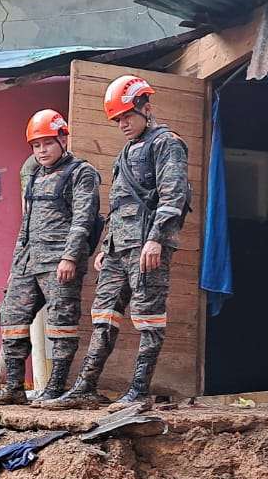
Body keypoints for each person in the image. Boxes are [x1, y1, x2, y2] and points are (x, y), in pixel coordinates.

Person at [45, 74, 189, 410]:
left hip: (146, 245)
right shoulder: (126, 152)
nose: (122, 124)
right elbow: (119, 203)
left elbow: (174, 196)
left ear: (146, 108)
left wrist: (156, 239)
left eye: (127, 116)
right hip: (117, 248)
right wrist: (106, 244)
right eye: (117, 119)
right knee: (103, 315)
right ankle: (84, 388)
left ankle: (138, 390)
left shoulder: (167, 143)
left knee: (148, 318)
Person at [0, 109, 101, 405]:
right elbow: (26, 223)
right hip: (28, 260)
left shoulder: (81, 172)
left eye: (47, 143)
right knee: (11, 317)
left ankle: (55, 388)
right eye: (36, 145)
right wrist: (16, 264)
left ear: (63, 140)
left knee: (61, 322)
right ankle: (14, 388)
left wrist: (70, 258)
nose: (42, 150)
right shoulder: (34, 174)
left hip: (59, 260)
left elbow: (84, 219)